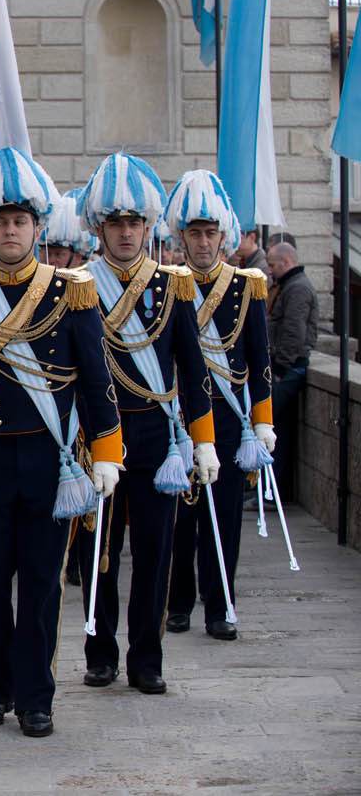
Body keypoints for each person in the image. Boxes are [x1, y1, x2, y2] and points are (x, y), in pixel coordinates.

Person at [0, 147, 122, 738]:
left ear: (38, 228)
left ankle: (37, 697)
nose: (11, 231)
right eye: (2, 222)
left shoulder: (71, 292)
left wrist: (107, 453)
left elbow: (96, 380)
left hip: (50, 460)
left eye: (21, 222)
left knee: (40, 584)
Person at [74, 153, 217, 697]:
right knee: (99, 551)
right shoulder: (78, 285)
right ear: (100, 227)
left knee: (155, 551)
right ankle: (100, 651)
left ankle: (146, 658)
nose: (127, 233)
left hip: (158, 438)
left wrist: (202, 441)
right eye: (116, 223)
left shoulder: (174, 286)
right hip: (98, 437)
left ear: (148, 226)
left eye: (135, 223)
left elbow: (195, 370)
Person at [164, 169, 274, 641]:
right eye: (195, 233)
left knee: (224, 516)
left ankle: (220, 603)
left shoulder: (246, 286)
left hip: (228, 418)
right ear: (181, 237)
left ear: (223, 236)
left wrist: (263, 421)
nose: (203, 242)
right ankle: (179, 602)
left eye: (210, 233)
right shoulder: (167, 284)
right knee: (181, 516)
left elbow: (261, 361)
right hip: (181, 417)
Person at [265, 241, 317, 500]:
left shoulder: (297, 288)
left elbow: (293, 332)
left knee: (267, 425)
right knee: (277, 432)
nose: (270, 271)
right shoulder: (290, 285)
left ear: (286, 262)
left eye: (273, 265)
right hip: (286, 368)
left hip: (289, 369)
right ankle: (271, 491)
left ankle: (272, 493)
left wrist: (280, 367)